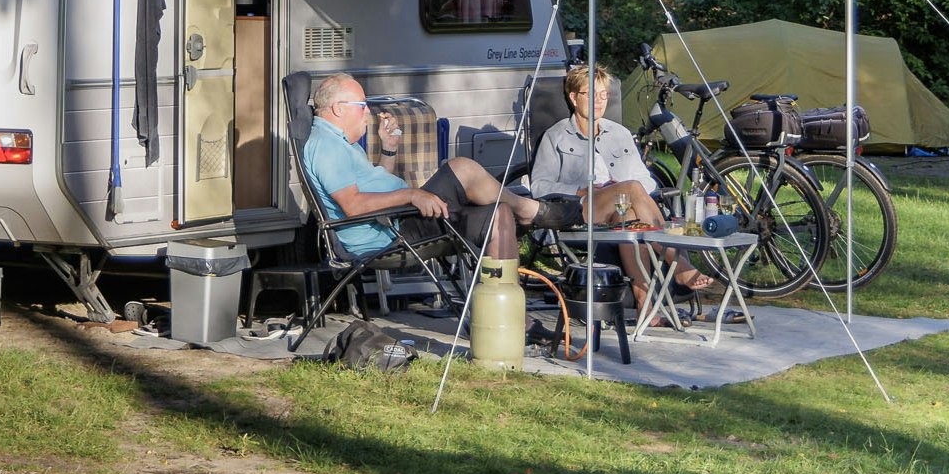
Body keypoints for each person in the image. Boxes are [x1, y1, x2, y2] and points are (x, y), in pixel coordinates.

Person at [300, 73, 575, 260]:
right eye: (362, 106)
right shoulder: (326, 146)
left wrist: (388, 149)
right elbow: (354, 206)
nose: (368, 112)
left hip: (397, 219)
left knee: (499, 213)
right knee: (461, 168)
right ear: (338, 108)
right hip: (392, 232)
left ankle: (510, 318)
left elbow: (376, 185)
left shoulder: (338, 142)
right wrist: (412, 194)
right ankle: (531, 210)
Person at [528, 64, 713, 292]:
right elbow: (538, 186)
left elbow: (647, 182)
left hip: (620, 207)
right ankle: (680, 264)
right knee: (633, 190)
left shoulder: (620, 134)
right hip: (580, 210)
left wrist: (621, 188)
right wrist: (579, 190)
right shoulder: (556, 136)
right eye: (591, 94)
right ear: (574, 98)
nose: (599, 101)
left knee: (630, 215)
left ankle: (645, 305)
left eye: (604, 94)